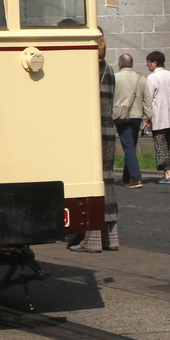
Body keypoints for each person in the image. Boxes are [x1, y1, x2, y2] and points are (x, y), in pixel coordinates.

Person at [73, 36, 120, 252]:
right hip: (108, 130)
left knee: (90, 182)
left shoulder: (85, 70)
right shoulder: (109, 69)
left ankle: (92, 239)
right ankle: (111, 237)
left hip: (90, 131)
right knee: (107, 180)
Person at [112, 53, 151, 188]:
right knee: (131, 146)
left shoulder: (115, 78)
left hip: (121, 116)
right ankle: (126, 177)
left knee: (128, 147)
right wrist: (147, 118)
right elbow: (147, 101)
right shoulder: (141, 78)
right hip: (137, 116)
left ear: (120, 64)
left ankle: (136, 177)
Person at [146, 51, 170, 183]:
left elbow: (148, 98)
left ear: (154, 63)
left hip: (159, 116)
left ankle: (167, 174)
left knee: (160, 144)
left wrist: (145, 117)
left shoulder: (152, 78)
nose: (148, 66)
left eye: (148, 63)